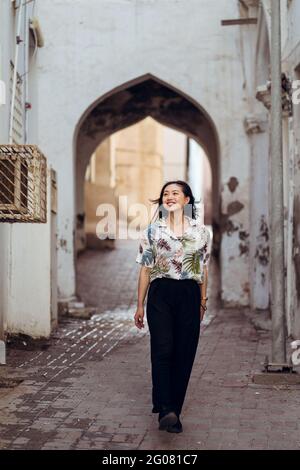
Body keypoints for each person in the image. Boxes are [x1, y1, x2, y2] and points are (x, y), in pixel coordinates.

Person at [134, 180, 211, 434]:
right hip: (161, 293)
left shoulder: (201, 232)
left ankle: (174, 411)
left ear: (187, 200)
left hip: (189, 293)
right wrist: (139, 306)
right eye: (165, 193)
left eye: (175, 193)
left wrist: (203, 300)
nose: (169, 196)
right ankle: (165, 407)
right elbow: (145, 269)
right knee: (163, 347)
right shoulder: (152, 231)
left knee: (184, 352)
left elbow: (203, 268)